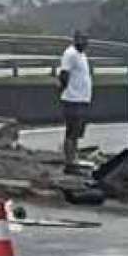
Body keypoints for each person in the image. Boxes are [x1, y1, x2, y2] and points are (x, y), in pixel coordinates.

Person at [55, 30, 93, 174]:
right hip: (72, 98)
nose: (85, 43)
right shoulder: (70, 54)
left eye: (86, 40)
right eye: (82, 39)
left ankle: (74, 159)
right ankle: (69, 162)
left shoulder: (81, 55)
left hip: (81, 99)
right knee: (71, 131)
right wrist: (63, 92)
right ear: (76, 40)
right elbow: (64, 75)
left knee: (77, 132)